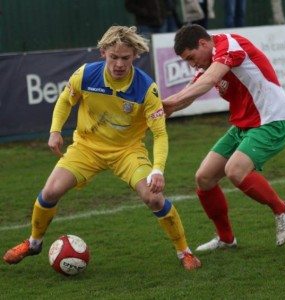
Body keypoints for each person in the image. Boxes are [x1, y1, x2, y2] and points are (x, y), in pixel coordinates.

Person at [3, 26, 201, 270]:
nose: (119, 64)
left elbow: (160, 133)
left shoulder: (146, 89)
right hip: (87, 147)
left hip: (127, 151)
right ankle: (34, 242)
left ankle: (184, 252)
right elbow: (65, 100)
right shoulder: (86, 74)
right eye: (113, 57)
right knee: (50, 191)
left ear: (135, 56)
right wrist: (55, 131)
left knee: (154, 198)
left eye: (125, 58)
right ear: (103, 53)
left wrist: (158, 169)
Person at [163, 24, 285, 251]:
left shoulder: (228, 45)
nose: (192, 64)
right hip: (243, 125)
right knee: (204, 178)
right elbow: (190, 92)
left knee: (235, 171)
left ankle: (283, 209)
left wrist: (170, 104)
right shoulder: (208, 61)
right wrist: (162, 110)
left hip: (270, 120)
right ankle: (226, 238)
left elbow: (206, 83)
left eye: (191, 57)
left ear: (203, 44)